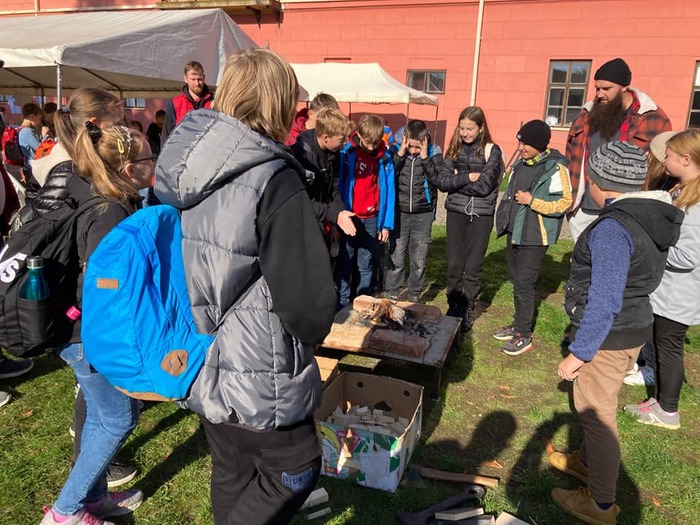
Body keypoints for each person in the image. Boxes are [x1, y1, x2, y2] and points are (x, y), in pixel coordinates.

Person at [154, 48, 337, 525]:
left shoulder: (184, 166)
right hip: (260, 364)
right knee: (296, 469)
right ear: (278, 103)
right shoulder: (275, 177)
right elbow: (309, 303)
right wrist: (316, 324)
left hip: (199, 351)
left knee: (232, 468)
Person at [548, 141, 683, 525]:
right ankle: (587, 464)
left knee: (597, 416)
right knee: (599, 404)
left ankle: (601, 504)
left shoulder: (612, 229)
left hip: (610, 335)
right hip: (633, 326)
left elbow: (605, 299)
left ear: (597, 182)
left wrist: (580, 352)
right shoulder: (648, 215)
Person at [40, 119, 154, 525]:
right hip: (88, 335)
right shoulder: (110, 213)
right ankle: (64, 513)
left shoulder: (99, 194)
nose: (154, 163)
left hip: (80, 331)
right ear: (129, 170)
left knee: (105, 416)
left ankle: (92, 497)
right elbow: (103, 289)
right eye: (150, 158)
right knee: (120, 417)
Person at [31, 88, 140, 491]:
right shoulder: (96, 191)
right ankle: (71, 504)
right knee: (116, 415)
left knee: (98, 404)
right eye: (119, 122)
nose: (124, 129)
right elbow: (102, 277)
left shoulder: (74, 173)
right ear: (96, 126)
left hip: (73, 316)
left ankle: (87, 493)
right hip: (86, 323)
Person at [623, 129, 700, 430]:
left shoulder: (696, 204)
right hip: (667, 290)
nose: (663, 160)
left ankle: (668, 410)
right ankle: (659, 399)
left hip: (678, 294)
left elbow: (689, 256)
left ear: (686, 159)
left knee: (669, 347)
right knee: (659, 342)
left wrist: (652, 250)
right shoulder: (684, 190)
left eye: (668, 155)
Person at [566, 58, 672, 241]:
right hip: (584, 208)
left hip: (626, 209)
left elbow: (662, 165)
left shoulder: (653, 118)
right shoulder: (586, 115)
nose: (599, 94)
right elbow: (571, 155)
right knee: (582, 258)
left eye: (606, 89)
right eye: (597, 88)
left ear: (625, 87)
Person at [493, 120, 571, 355]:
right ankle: (518, 324)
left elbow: (564, 202)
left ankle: (523, 335)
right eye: (520, 142)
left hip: (535, 236)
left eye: (526, 144)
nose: (521, 147)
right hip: (514, 232)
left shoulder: (555, 168)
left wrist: (532, 201)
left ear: (539, 144)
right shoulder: (520, 164)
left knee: (524, 284)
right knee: (516, 281)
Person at [435, 106, 504, 332]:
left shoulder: (492, 151)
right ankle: (454, 305)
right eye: (462, 128)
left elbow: (485, 186)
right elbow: (442, 182)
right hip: (456, 213)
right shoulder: (454, 148)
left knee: (472, 266)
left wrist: (457, 182)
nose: (464, 133)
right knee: (455, 264)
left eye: (470, 129)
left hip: (481, 216)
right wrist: (469, 176)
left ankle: (467, 308)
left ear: (481, 127)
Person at [337, 114, 395, 307]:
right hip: (350, 217)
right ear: (359, 135)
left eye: (375, 143)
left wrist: (386, 225)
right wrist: (339, 214)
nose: (371, 147)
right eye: (368, 142)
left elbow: (390, 192)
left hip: (372, 219)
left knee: (366, 263)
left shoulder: (385, 159)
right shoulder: (347, 154)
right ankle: (343, 302)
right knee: (346, 261)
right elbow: (340, 185)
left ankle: (362, 301)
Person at [384, 119, 440, 302]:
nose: (414, 151)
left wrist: (425, 158)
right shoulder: (395, 150)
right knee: (397, 256)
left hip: (423, 212)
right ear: (404, 139)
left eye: (418, 147)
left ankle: (414, 293)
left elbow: (437, 179)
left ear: (425, 142)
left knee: (419, 258)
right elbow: (389, 174)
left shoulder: (434, 152)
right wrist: (400, 153)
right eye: (411, 146)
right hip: (399, 212)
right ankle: (393, 291)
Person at [291, 107, 354, 247]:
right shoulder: (303, 154)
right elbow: (302, 199)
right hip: (304, 227)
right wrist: (333, 214)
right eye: (341, 139)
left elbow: (334, 188)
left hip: (323, 223)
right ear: (326, 138)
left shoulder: (333, 153)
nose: (345, 143)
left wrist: (337, 215)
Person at [160, 60, 213, 148]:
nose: (197, 83)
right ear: (186, 79)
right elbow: (166, 138)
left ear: (204, 77)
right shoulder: (174, 104)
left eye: (200, 79)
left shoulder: (215, 102)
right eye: (193, 79)